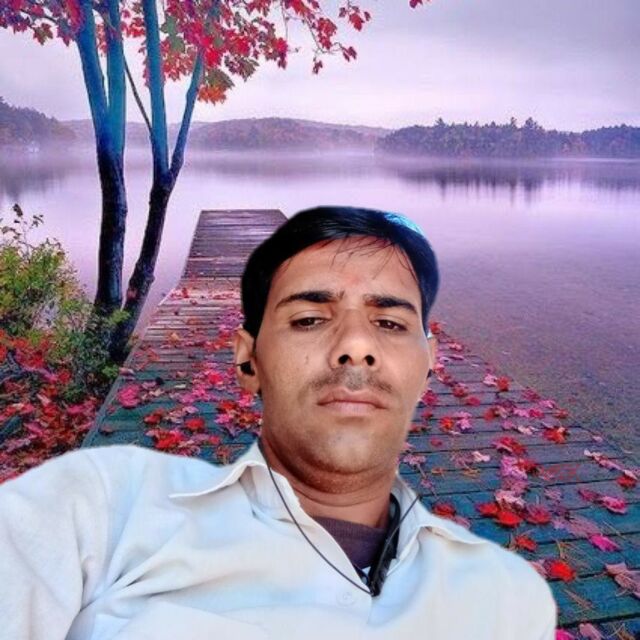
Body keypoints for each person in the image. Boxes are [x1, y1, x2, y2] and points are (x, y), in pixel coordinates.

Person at [0, 206, 557, 640]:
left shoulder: (508, 600)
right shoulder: (102, 508)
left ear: (429, 363)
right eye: (310, 319)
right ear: (249, 360)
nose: (356, 346)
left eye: (389, 323)